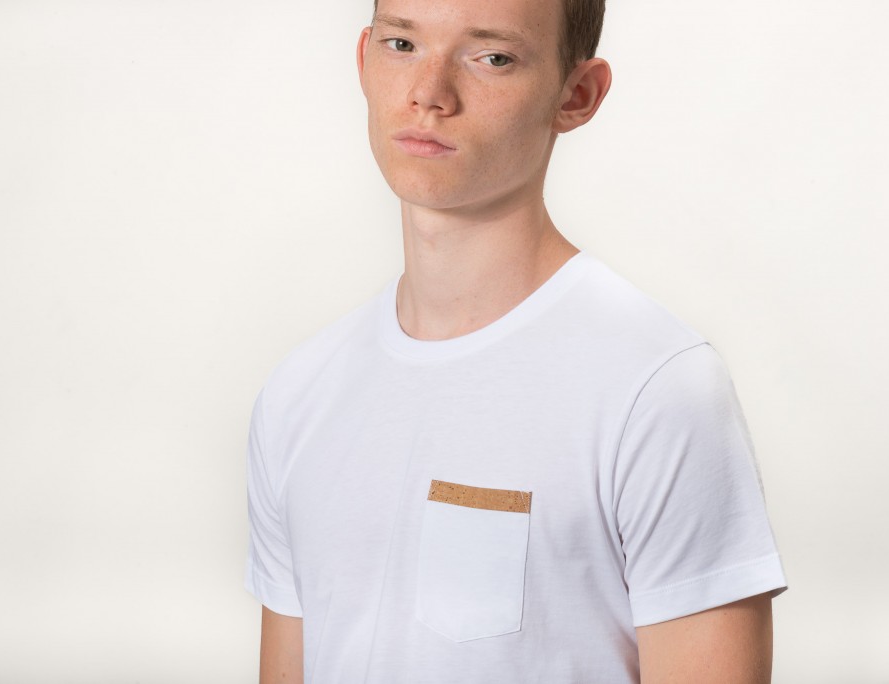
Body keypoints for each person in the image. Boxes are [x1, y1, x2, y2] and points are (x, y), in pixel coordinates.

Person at [244, 0, 787, 680]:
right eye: (402, 44)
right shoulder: (299, 395)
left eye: (492, 58)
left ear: (576, 95)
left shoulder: (655, 389)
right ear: (362, 59)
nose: (429, 94)